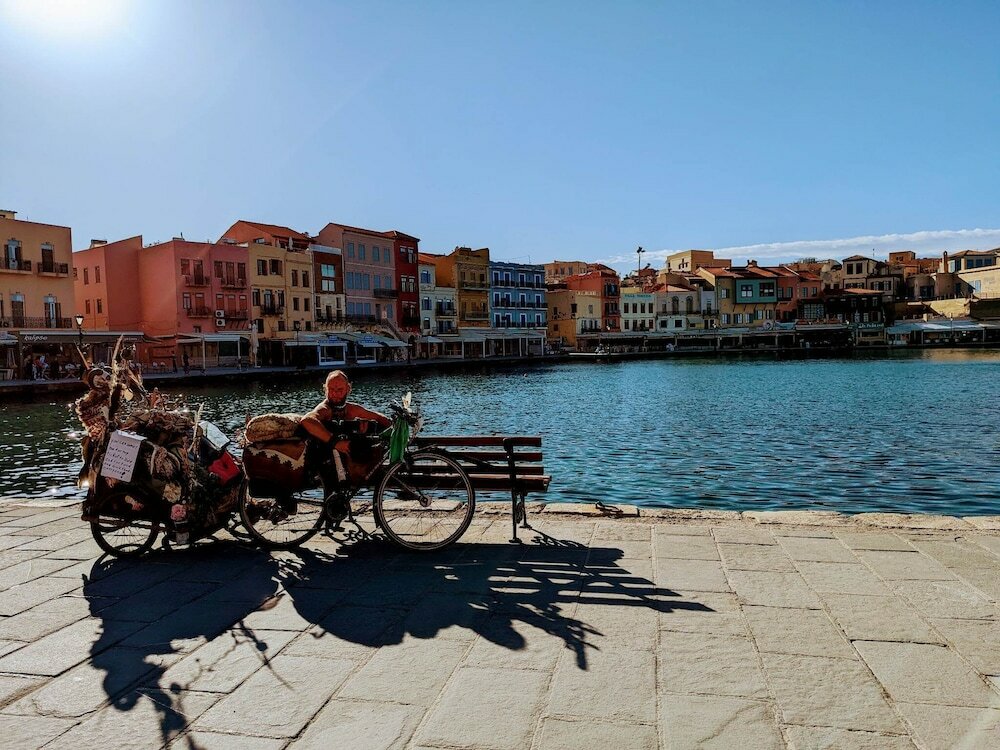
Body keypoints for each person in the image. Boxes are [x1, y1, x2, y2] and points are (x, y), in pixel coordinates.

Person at [299, 370, 391, 497]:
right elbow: (307, 420)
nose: (335, 394)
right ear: (325, 389)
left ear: (348, 389)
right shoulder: (325, 409)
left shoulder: (351, 410)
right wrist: (335, 443)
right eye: (331, 389)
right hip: (323, 462)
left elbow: (378, 417)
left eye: (339, 390)